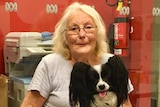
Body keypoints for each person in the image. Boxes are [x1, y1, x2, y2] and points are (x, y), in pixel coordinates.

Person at [21, 2, 133, 107]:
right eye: (74, 29)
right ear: (64, 35)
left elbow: (125, 104)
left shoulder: (112, 63)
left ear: (98, 32)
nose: (82, 34)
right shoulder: (50, 64)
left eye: (88, 27)